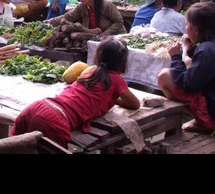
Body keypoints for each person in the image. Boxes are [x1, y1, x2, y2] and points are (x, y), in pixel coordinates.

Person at [10, 36, 140, 148]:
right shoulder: (117, 80)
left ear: (97, 57)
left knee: (11, 149)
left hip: (36, 107)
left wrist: (108, 97)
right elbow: (135, 104)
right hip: (55, 121)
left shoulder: (89, 72)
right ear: (123, 63)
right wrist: (112, 98)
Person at [157, 2, 215, 133]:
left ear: (196, 30)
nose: (185, 28)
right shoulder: (208, 46)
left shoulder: (206, 50)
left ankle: (203, 122)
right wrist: (189, 50)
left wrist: (176, 57)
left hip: (212, 112)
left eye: (187, 25)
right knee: (188, 61)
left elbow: (187, 84)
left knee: (164, 76)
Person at [46, 0, 126, 35]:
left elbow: (119, 22)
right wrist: (51, 21)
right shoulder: (82, 6)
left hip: (115, 37)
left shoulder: (107, 5)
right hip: (94, 37)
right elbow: (68, 16)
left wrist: (104, 35)